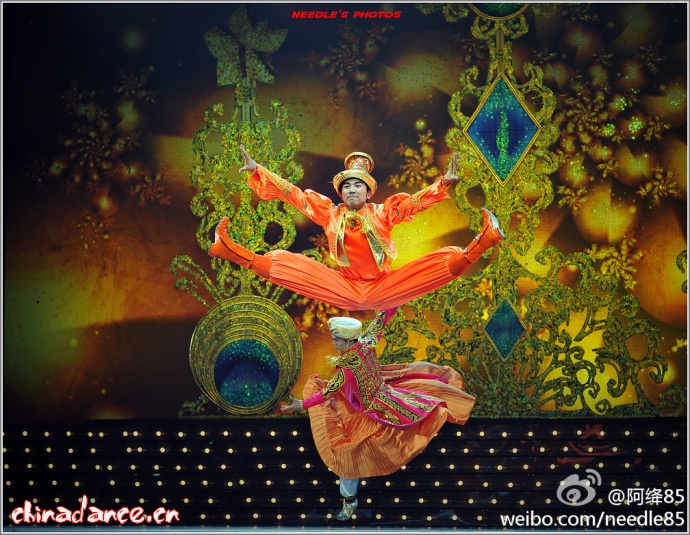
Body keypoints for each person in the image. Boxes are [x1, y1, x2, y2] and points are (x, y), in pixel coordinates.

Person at [208, 145, 505, 311]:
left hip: (384, 286)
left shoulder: (382, 213)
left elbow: (412, 204)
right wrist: (259, 170)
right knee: (286, 264)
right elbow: (294, 195)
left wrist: (443, 184)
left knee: (437, 265)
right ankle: (227, 249)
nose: (352, 189)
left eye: (358, 186)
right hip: (344, 286)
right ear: (341, 193)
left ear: (368, 192)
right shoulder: (330, 214)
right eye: (347, 186)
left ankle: (487, 238)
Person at [281, 307, 475, 521]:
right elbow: (381, 320)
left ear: (349, 340)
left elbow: (328, 391)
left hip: (375, 408)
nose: (334, 343)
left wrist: (302, 404)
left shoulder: (349, 366)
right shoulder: (365, 342)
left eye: (337, 339)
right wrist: (391, 303)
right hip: (367, 397)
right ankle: (350, 500)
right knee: (350, 450)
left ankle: (349, 501)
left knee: (347, 452)